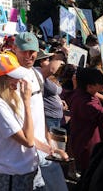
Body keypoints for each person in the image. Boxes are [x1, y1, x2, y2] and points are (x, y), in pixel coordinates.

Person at [13, 32, 68, 191]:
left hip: (43, 147)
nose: (29, 55)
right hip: (26, 153)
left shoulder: (36, 74)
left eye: (33, 51)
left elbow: (38, 112)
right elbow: (20, 128)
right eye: (24, 51)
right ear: (14, 49)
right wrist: (50, 148)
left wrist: (48, 138)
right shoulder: (10, 81)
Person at [0, 52, 38, 190]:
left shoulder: (14, 95)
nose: (19, 81)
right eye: (15, 77)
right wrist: (27, 102)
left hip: (24, 169)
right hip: (10, 173)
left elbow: (29, 132)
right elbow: (28, 141)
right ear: (3, 79)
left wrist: (50, 150)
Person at [64, 67, 103, 173]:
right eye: (101, 84)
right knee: (91, 177)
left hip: (83, 142)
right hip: (90, 148)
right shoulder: (89, 104)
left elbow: (95, 118)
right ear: (89, 87)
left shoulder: (79, 93)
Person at [34, 50, 66, 130]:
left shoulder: (50, 76)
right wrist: (60, 55)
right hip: (48, 117)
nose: (50, 61)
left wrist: (60, 101)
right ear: (41, 62)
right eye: (47, 59)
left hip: (56, 116)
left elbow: (53, 92)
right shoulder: (37, 72)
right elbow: (52, 69)